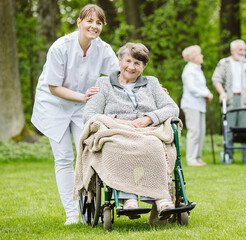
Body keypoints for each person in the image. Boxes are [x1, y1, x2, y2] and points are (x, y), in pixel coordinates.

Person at [31, 4, 119, 225]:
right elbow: (53, 87)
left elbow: (120, 76)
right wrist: (82, 97)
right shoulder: (60, 47)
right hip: (54, 105)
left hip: (83, 105)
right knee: (64, 157)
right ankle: (72, 214)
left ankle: (88, 206)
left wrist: (148, 86)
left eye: (99, 22)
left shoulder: (103, 49)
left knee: (88, 153)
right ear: (79, 23)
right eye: (89, 21)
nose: (94, 26)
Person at [81, 42, 179, 220]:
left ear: (144, 67)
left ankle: (159, 197)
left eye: (137, 63)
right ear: (119, 61)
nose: (131, 67)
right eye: (128, 61)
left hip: (147, 132)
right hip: (116, 132)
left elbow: (172, 108)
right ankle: (128, 198)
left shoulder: (152, 83)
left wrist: (148, 118)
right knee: (114, 146)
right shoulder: (103, 84)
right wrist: (117, 123)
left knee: (155, 145)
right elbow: (89, 114)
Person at [212, 40, 246, 163]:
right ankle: (229, 157)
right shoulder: (224, 63)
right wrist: (221, 92)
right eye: (240, 50)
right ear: (232, 50)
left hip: (245, 99)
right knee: (229, 129)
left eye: (244, 50)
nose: (243, 52)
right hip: (230, 99)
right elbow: (216, 79)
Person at [180, 45, 213, 167]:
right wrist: (206, 93)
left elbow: (201, 86)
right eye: (200, 54)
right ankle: (191, 158)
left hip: (200, 104)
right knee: (194, 131)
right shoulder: (189, 70)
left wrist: (206, 93)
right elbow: (192, 88)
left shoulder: (198, 69)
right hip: (191, 104)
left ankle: (198, 157)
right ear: (193, 57)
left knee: (201, 131)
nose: (202, 56)